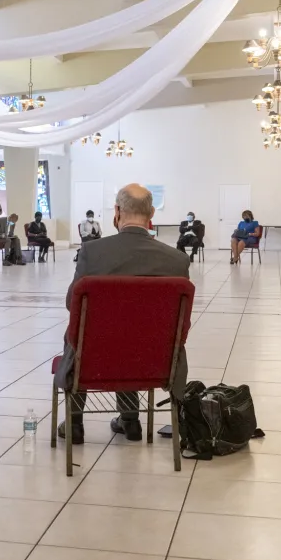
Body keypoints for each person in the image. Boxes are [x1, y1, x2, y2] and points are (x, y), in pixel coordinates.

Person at [56, 184, 190, 444]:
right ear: (152, 213)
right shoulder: (176, 260)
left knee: (85, 336)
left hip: (94, 358)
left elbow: (73, 304)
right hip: (155, 361)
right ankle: (130, 421)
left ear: (117, 212)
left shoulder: (93, 252)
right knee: (136, 334)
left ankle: (75, 423)